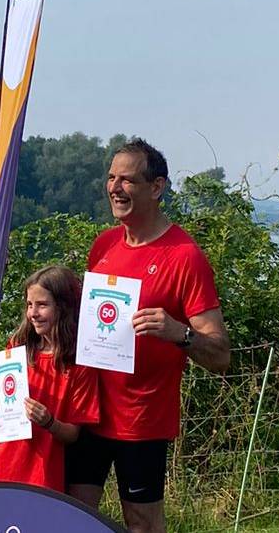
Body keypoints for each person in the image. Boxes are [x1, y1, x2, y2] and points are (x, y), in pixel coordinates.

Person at [66, 139, 230, 533]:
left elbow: (222, 355)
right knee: (72, 513)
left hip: (140, 418)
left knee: (140, 522)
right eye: (110, 178)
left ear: (156, 188)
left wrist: (179, 333)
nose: (115, 188)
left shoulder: (184, 256)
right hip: (88, 408)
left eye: (127, 180)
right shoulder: (103, 245)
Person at [0, 264, 101, 491]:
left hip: (40, 475)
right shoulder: (17, 346)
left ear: (64, 307)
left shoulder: (80, 364)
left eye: (42, 305)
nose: (33, 313)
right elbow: (2, 398)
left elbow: (72, 434)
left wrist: (48, 422)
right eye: (29, 305)